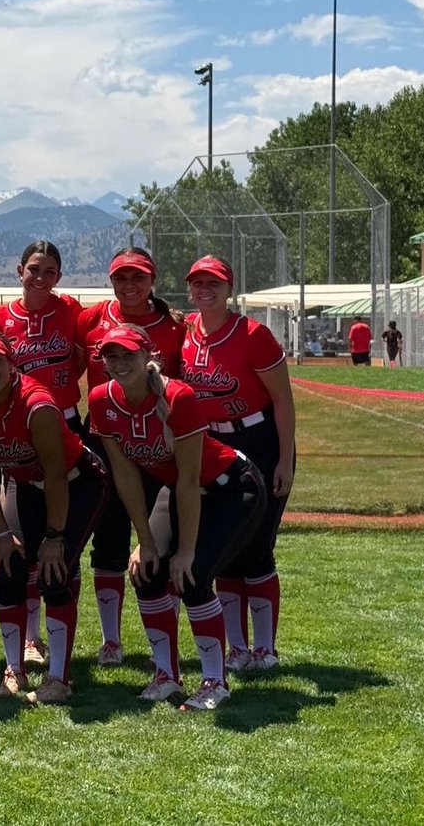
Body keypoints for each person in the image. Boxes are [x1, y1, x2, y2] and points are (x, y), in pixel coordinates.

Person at [89, 323, 267, 710]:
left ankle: (214, 682)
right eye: (111, 355)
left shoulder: (177, 395)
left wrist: (186, 550)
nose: (119, 363)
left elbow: (188, 479)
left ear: (148, 356)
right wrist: (146, 541)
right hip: (181, 490)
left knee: (192, 576)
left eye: (128, 354)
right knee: (146, 571)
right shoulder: (102, 399)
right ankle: (166, 674)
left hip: (232, 486)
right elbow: (126, 476)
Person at [0, 331, 109, 702]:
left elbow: (55, 474)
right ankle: (14, 672)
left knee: (55, 573)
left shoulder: (36, 404)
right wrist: (1, 532)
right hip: (23, 484)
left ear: (12, 363)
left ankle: (59, 678)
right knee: (5, 569)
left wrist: (55, 537)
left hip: (76, 484)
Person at [181, 256, 295, 673]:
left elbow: (282, 400)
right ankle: (237, 648)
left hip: (259, 439)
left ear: (229, 288)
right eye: (197, 283)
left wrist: (285, 458)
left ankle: (265, 648)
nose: (204, 289)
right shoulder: (187, 333)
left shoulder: (253, 334)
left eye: (214, 282)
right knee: (226, 546)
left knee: (258, 543)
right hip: (213, 443)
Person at [76, 246, 185, 668]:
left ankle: (167, 637)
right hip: (106, 436)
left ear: (152, 280)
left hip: (159, 440)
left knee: (162, 539)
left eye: (138, 277)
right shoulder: (90, 319)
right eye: (121, 277)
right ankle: (111, 641)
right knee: (109, 538)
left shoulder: (175, 325)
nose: (129, 285)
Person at [0, 240, 84, 668]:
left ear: (59, 276)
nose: (41, 277)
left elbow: (88, 352)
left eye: (49, 271)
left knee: (65, 539)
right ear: (18, 270)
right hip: (17, 431)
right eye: (33, 269)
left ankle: (64, 638)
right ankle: (30, 639)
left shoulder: (72, 312)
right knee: (23, 536)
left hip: (65, 423)